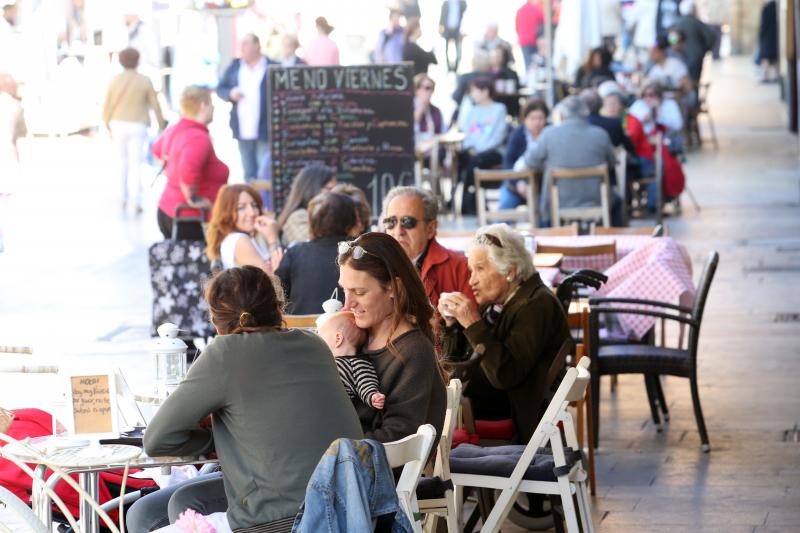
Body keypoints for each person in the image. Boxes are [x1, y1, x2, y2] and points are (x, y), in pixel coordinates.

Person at [127, 266, 364, 532]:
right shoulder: (314, 344)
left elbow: (157, 439)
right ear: (277, 307)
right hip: (348, 507)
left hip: (279, 519)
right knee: (179, 501)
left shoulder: (224, 353)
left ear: (217, 322)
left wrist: (216, 437)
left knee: (145, 514)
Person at [439, 224, 570, 443]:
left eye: (480, 269)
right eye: (471, 271)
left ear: (509, 271)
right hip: (489, 404)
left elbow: (505, 375)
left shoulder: (537, 304)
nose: (472, 281)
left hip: (517, 415)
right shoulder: (497, 306)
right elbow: (456, 361)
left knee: (423, 405)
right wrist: (453, 326)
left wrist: (472, 323)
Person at [337, 232, 447, 443]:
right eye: (344, 290)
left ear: (393, 288)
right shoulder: (353, 336)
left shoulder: (414, 351)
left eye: (359, 292)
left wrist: (327, 449)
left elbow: (400, 439)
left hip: (376, 470)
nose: (347, 304)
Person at [523, 95, 622, 226]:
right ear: (585, 113)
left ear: (562, 114)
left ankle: (546, 239)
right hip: (597, 201)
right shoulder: (601, 134)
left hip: (558, 202)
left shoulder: (549, 134)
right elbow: (611, 163)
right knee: (618, 201)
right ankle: (615, 240)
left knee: (541, 200)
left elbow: (530, 161)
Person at [153, 85, 228, 241]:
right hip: (189, 218)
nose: (213, 108)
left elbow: (157, 150)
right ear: (203, 105)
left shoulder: (175, 129)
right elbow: (188, 171)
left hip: (170, 209)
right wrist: (194, 200)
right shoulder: (197, 137)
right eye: (211, 103)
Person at [381, 186, 473, 310]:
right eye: (391, 222)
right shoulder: (372, 266)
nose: (398, 231)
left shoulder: (461, 268)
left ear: (430, 229)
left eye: (408, 222)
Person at [102, 47, 165, 214]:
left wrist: (106, 122)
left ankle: (123, 197)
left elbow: (107, 104)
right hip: (138, 124)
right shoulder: (144, 80)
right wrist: (161, 124)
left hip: (118, 124)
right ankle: (136, 200)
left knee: (121, 162)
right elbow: (155, 104)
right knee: (136, 163)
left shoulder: (115, 80)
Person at [275, 191, 359, 314]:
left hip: (300, 331)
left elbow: (277, 297)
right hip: (349, 329)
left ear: (313, 222)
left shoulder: (294, 253)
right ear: (351, 220)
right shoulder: (360, 251)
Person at [216, 34, 274, 183]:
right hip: (242, 128)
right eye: (241, 44)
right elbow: (221, 88)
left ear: (257, 45)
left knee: (265, 172)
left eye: (246, 44)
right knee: (249, 172)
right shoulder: (236, 66)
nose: (242, 48)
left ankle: (265, 203)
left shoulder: (271, 66)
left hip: (265, 128)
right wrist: (230, 93)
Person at [457, 76, 508, 215]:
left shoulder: (499, 109)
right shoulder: (472, 111)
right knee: (463, 159)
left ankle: (468, 200)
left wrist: (478, 150)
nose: (472, 94)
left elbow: (498, 136)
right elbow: (467, 134)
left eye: (475, 91)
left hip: (493, 151)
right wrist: (472, 149)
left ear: (485, 91)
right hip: (473, 151)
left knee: (474, 161)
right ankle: (471, 200)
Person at [206, 184, 282, 273]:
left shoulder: (242, 238)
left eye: (254, 205)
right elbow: (270, 280)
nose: (252, 213)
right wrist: (272, 239)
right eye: (241, 207)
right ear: (226, 213)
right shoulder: (239, 239)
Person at [318, 311, 386, 410]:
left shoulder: (357, 364)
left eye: (320, 338)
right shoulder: (326, 362)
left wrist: (373, 396)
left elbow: (366, 382)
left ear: (338, 339)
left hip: (336, 411)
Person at [498, 99, 549, 210]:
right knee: (505, 206)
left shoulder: (550, 133)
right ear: (525, 119)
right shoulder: (518, 134)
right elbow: (508, 161)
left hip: (543, 186)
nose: (537, 122)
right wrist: (517, 183)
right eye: (532, 118)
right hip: (517, 183)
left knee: (544, 212)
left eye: (540, 118)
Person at [277, 164, 337, 247]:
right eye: (329, 189)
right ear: (312, 188)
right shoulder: (298, 217)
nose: (335, 194)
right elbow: (315, 248)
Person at [670, 0, 715, 84]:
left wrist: (675, 47)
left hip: (681, 57)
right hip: (696, 57)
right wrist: (704, 49)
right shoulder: (696, 22)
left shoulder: (676, 23)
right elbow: (710, 37)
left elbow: (672, 39)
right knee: (694, 82)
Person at [489, 46, 520, 117]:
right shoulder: (486, 73)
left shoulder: (510, 73)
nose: (495, 58)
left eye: (498, 56)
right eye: (494, 56)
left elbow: (516, 88)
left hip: (508, 103)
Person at [413, 73, 444, 141]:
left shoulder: (436, 111)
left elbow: (441, 134)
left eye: (432, 88)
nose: (430, 92)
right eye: (427, 88)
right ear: (416, 90)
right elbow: (408, 129)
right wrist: (421, 106)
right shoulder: (407, 109)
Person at [516, 0, 545, 71]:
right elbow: (543, 24)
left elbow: (517, 27)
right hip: (534, 41)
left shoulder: (520, 10)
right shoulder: (537, 9)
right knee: (537, 64)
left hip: (524, 41)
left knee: (528, 65)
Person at [438, 0, 466, 72]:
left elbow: (466, 15)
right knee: (447, 49)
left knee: (458, 49)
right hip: (447, 29)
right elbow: (442, 15)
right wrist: (440, 27)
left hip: (458, 29)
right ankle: (448, 67)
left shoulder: (462, 2)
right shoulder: (446, 3)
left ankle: (456, 68)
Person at [757, 0, 778, 83]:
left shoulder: (766, 8)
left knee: (765, 58)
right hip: (775, 38)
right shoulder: (776, 8)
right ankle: (776, 76)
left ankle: (765, 76)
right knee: (774, 59)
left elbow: (763, 25)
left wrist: (760, 37)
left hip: (767, 39)